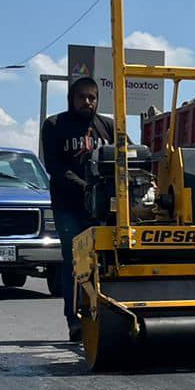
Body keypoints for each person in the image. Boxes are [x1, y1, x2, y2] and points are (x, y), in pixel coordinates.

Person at [40, 76, 115, 341]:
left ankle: (106, 314)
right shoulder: (54, 125)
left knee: (106, 263)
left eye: (92, 97)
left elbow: (129, 154)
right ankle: (75, 320)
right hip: (68, 206)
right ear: (71, 98)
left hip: (103, 209)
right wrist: (85, 187)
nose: (87, 102)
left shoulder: (108, 126)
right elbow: (54, 167)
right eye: (82, 96)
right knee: (76, 262)